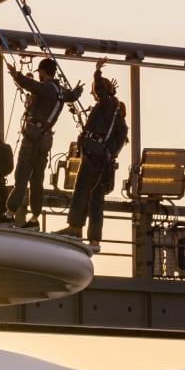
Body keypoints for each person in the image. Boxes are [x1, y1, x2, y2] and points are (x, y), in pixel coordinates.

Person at [0, 57, 83, 229]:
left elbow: (31, 85)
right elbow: (72, 96)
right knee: (37, 180)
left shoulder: (46, 89)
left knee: (22, 176)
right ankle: (35, 219)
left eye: (40, 73)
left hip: (33, 137)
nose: (39, 76)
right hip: (46, 140)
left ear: (43, 71)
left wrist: (16, 74)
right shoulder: (61, 92)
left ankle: (9, 215)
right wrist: (78, 91)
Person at [55, 58, 128, 252]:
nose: (93, 94)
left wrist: (97, 72)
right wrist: (109, 151)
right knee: (96, 198)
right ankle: (94, 238)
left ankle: (75, 227)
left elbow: (100, 90)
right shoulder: (117, 115)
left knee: (81, 190)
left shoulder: (106, 103)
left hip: (93, 156)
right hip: (104, 160)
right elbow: (122, 135)